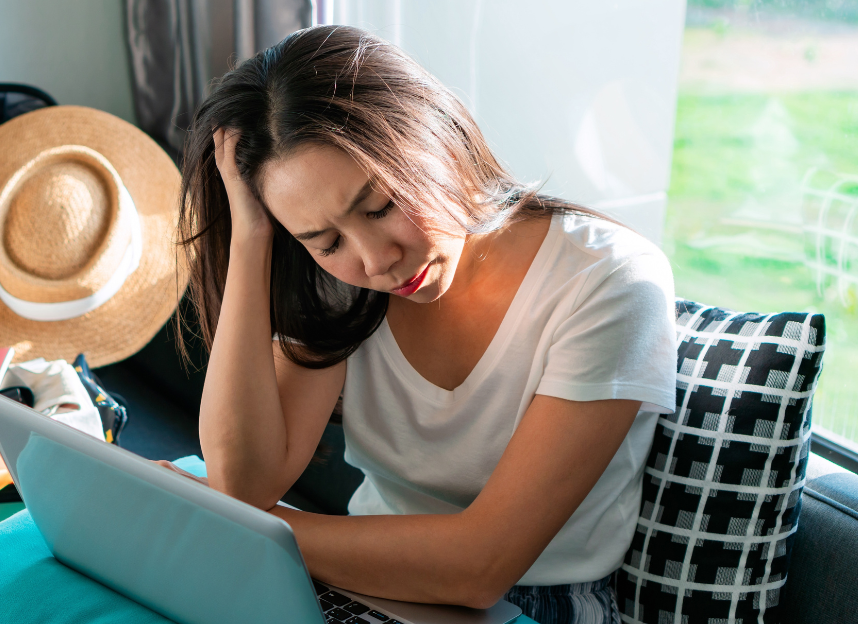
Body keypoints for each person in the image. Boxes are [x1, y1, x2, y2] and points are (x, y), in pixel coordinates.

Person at [174, 25, 677, 624]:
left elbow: (481, 568)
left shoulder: (607, 281)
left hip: (541, 602)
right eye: (325, 240)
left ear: (433, 135)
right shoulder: (340, 286)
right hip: (359, 580)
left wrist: (231, 521)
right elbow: (243, 483)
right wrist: (254, 237)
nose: (376, 260)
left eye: (381, 205)